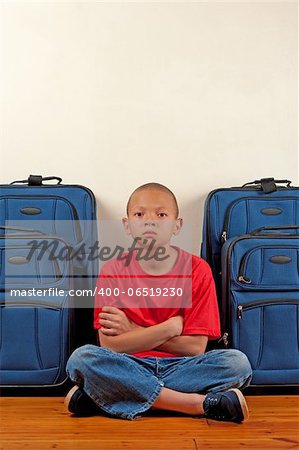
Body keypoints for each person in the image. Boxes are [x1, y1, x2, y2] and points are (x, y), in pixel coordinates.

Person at [65, 183, 252, 423]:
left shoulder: (197, 269)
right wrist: (170, 328)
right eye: (139, 214)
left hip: (183, 367)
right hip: (127, 363)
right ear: (127, 224)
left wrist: (133, 331)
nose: (150, 222)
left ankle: (108, 395)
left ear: (177, 225)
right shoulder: (113, 271)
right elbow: (110, 346)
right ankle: (195, 404)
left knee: (237, 363)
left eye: (161, 214)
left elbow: (195, 348)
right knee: (82, 358)